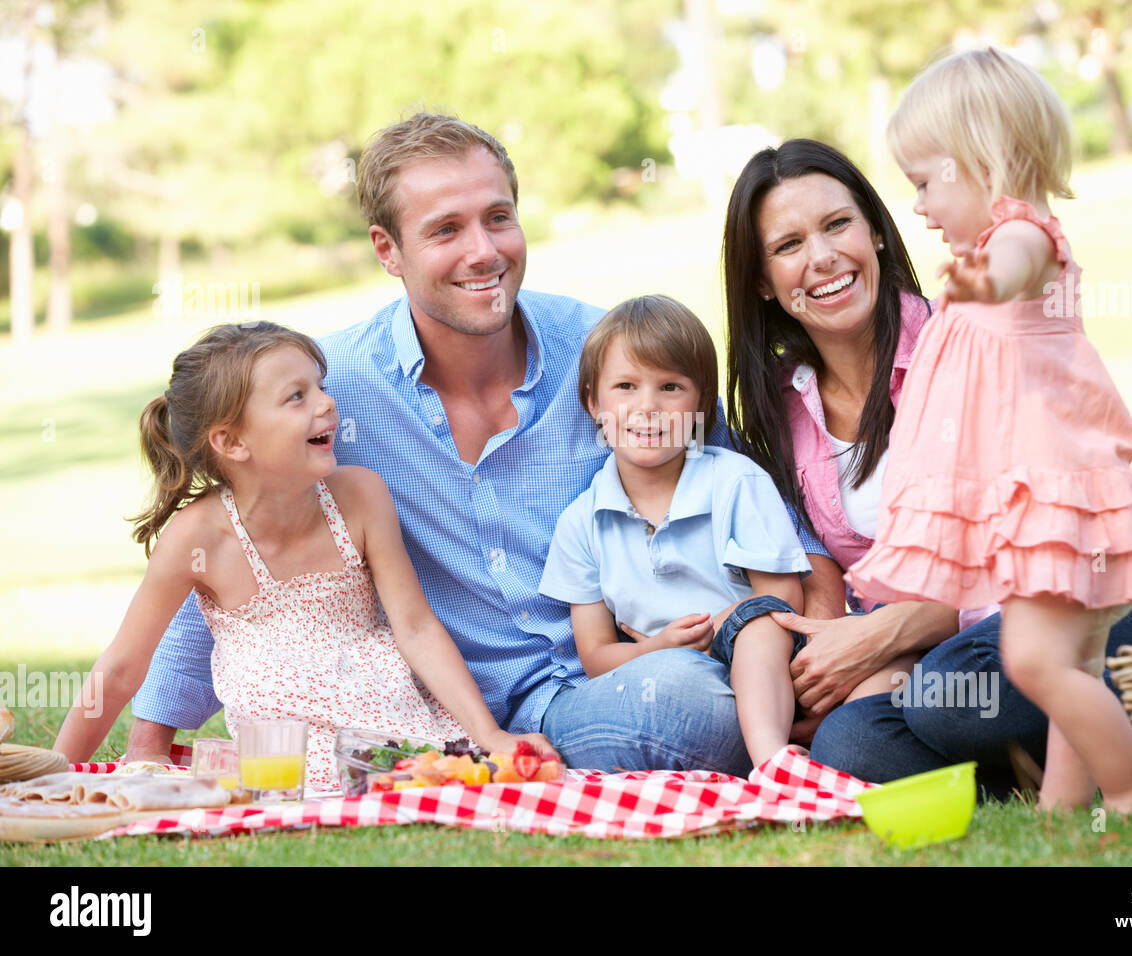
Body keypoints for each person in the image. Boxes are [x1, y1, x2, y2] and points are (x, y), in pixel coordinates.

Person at [120, 113, 830, 775]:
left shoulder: (610, 356)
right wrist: (151, 739)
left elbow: (746, 493)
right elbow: (242, 533)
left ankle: (769, 717)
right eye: (446, 230)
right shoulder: (331, 393)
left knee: (703, 689)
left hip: (635, 666)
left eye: (498, 218)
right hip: (479, 712)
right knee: (694, 703)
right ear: (386, 250)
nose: (484, 252)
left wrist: (818, 660)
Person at [722, 136, 1132, 800]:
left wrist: (891, 630)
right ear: (763, 281)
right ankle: (1071, 755)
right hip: (951, 662)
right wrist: (839, 661)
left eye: (837, 224)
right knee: (848, 742)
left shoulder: (971, 339)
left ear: (876, 234)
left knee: (949, 702)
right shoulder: (781, 410)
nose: (822, 257)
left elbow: (1042, 529)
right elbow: (822, 572)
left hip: (1083, 609)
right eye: (788, 245)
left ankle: (1082, 748)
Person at [844, 48, 1132, 812]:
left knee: (1033, 661)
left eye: (927, 182)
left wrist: (988, 281)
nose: (921, 207)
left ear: (985, 162)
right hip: (1052, 498)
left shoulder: (1024, 236)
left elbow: (1021, 261)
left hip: (1058, 499)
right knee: (1072, 662)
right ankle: (1063, 809)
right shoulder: (991, 249)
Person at [53, 322, 554, 791]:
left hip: (392, 720)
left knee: (455, 778)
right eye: (297, 397)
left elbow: (416, 628)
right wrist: (52, 776)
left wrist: (490, 736)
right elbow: (121, 668)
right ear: (231, 441)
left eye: (320, 386)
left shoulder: (359, 497)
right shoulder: (197, 538)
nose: (326, 405)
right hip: (285, 750)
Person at [538, 295, 830, 766]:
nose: (647, 407)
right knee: (671, 687)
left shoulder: (735, 480)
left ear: (701, 401)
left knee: (758, 626)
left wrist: (713, 628)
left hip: (766, 660)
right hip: (669, 671)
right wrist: (659, 646)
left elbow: (782, 603)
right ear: (593, 401)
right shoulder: (581, 522)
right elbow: (594, 655)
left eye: (671, 387)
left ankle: (774, 765)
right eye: (626, 386)